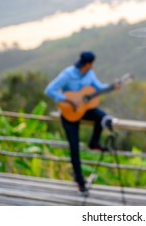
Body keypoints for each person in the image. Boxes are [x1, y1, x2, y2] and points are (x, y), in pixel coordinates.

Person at [44, 51, 120, 195]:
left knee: (104, 117)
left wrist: (112, 87)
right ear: (89, 64)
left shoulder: (90, 74)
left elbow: (98, 88)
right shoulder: (68, 74)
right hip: (69, 113)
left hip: (84, 110)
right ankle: (80, 181)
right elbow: (49, 90)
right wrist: (67, 100)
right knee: (74, 147)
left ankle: (94, 143)